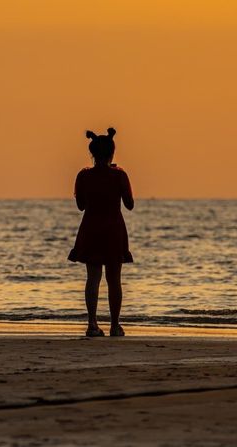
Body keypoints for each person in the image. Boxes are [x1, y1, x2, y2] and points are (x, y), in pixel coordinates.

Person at [68, 127, 134, 337]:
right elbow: (130, 204)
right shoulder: (120, 175)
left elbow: (80, 206)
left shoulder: (84, 176)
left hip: (91, 228)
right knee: (114, 279)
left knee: (93, 278)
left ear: (92, 153)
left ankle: (92, 324)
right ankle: (115, 325)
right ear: (112, 153)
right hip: (113, 229)